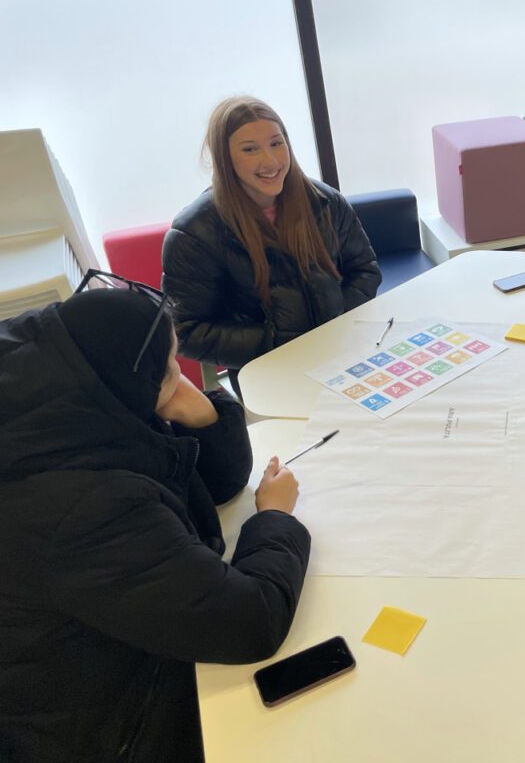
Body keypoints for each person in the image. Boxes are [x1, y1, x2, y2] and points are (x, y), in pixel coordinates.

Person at [0, 281, 311, 762]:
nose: (180, 377)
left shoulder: (68, 386)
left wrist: (202, 413)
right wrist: (273, 519)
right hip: (102, 726)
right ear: (131, 383)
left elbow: (215, 481)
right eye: (168, 372)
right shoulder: (82, 508)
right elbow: (250, 621)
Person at [162, 96, 381, 394]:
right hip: (266, 373)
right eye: (250, 149)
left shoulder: (325, 201)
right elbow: (187, 330)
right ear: (225, 159)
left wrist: (334, 325)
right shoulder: (194, 233)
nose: (271, 161)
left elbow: (365, 270)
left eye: (277, 143)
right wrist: (281, 341)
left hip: (341, 354)